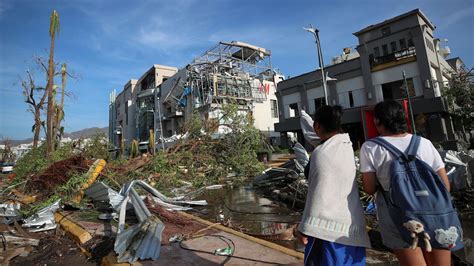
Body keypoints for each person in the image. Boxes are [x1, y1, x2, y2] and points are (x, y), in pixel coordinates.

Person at [359, 100, 451, 265]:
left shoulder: (370, 147)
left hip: (398, 217)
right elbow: (445, 185)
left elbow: (369, 189)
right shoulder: (424, 143)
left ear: (378, 121)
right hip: (434, 212)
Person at [297, 105, 370, 266]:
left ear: (317, 126)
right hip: (352, 225)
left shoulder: (321, 153)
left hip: (327, 232)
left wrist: (304, 227)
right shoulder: (346, 146)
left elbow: (317, 194)